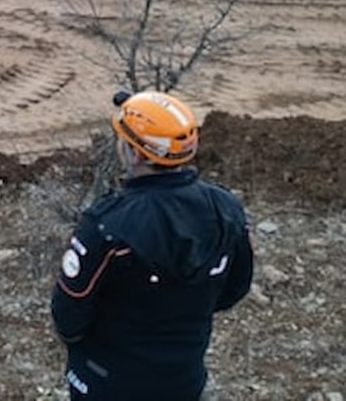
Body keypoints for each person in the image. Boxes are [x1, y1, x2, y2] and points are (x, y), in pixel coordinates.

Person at [50, 90, 254, 400]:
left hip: (107, 382)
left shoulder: (107, 225)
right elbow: (234, 289)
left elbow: (69, 312)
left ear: (136, 154)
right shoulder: (226, 209)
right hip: (182, 379)